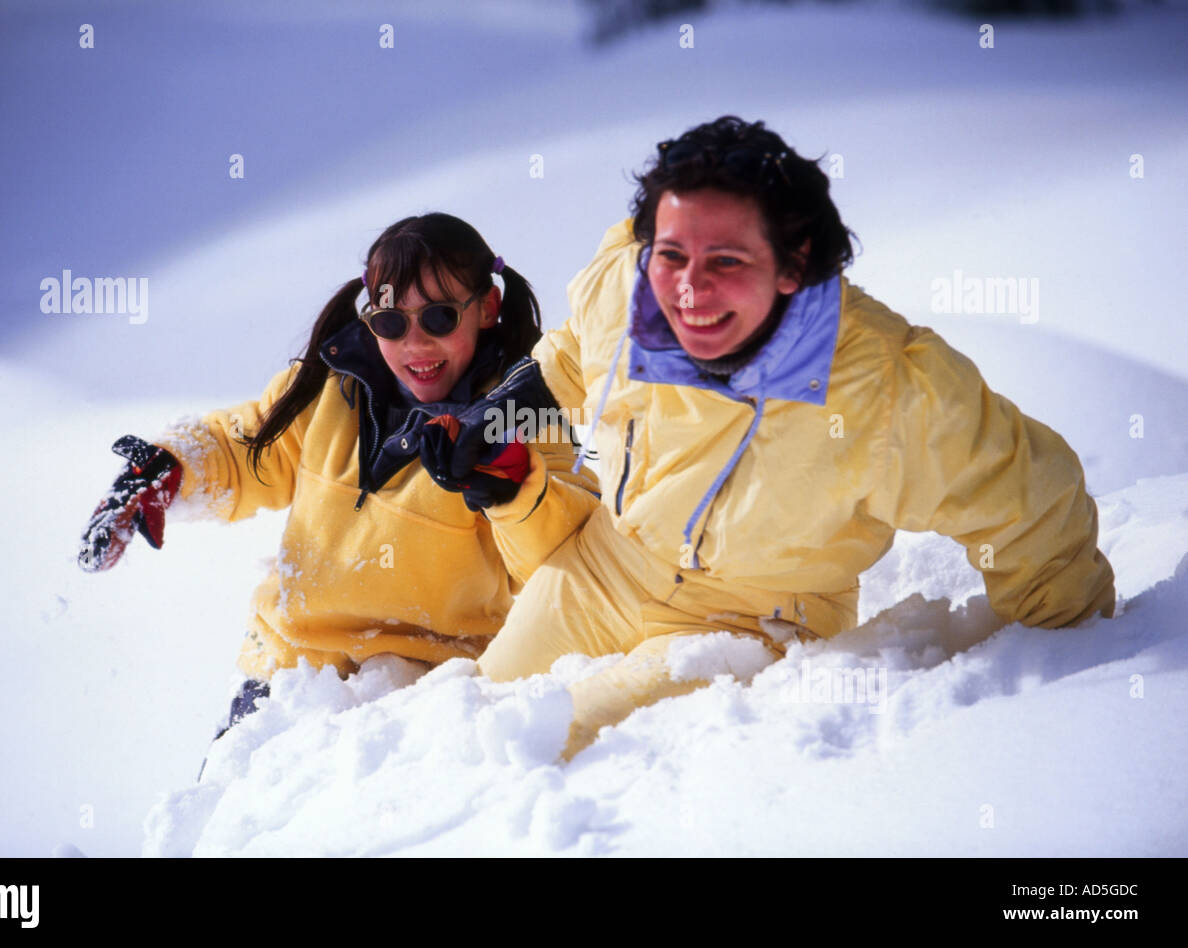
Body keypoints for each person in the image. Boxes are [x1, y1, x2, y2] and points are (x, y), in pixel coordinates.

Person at [478, 116, 1116, 757]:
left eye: (727, 260)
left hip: (758, 616)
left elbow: (1032, 505)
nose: (689, 289)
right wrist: (504, 413)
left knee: (562, 744)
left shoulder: (889, 389)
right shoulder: (625, 280)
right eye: (671, 254)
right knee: (485, 709)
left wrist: (1070, 660)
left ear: (794, 262)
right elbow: (575, 355)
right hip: (610, 565)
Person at [77, 213, 600, 764]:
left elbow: (561, 560)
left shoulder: (515, 421)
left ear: (487, 307)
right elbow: (248, 442)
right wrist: (172, 464)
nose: (415, 343)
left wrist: (511, 488)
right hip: (288, 674)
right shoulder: (331, 388)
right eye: (392, 322)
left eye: (440, 317)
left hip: (427, 690)